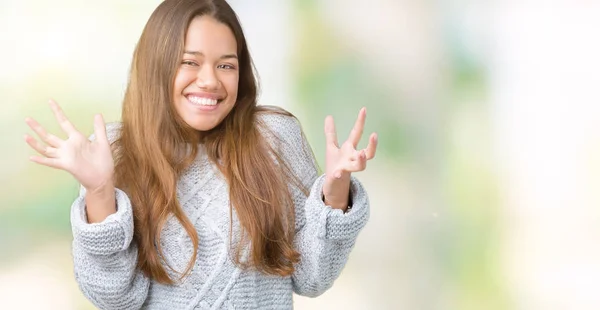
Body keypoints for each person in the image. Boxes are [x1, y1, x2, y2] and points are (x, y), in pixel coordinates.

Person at [23, 0, 378, 309]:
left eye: (226, 65)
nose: (210, 80)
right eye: (190, 62)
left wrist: (336, 191)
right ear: (155, 65)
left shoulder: (274, 138)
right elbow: (116, 298)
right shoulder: (114, 151)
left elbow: (311, 279)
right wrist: (100, 193)